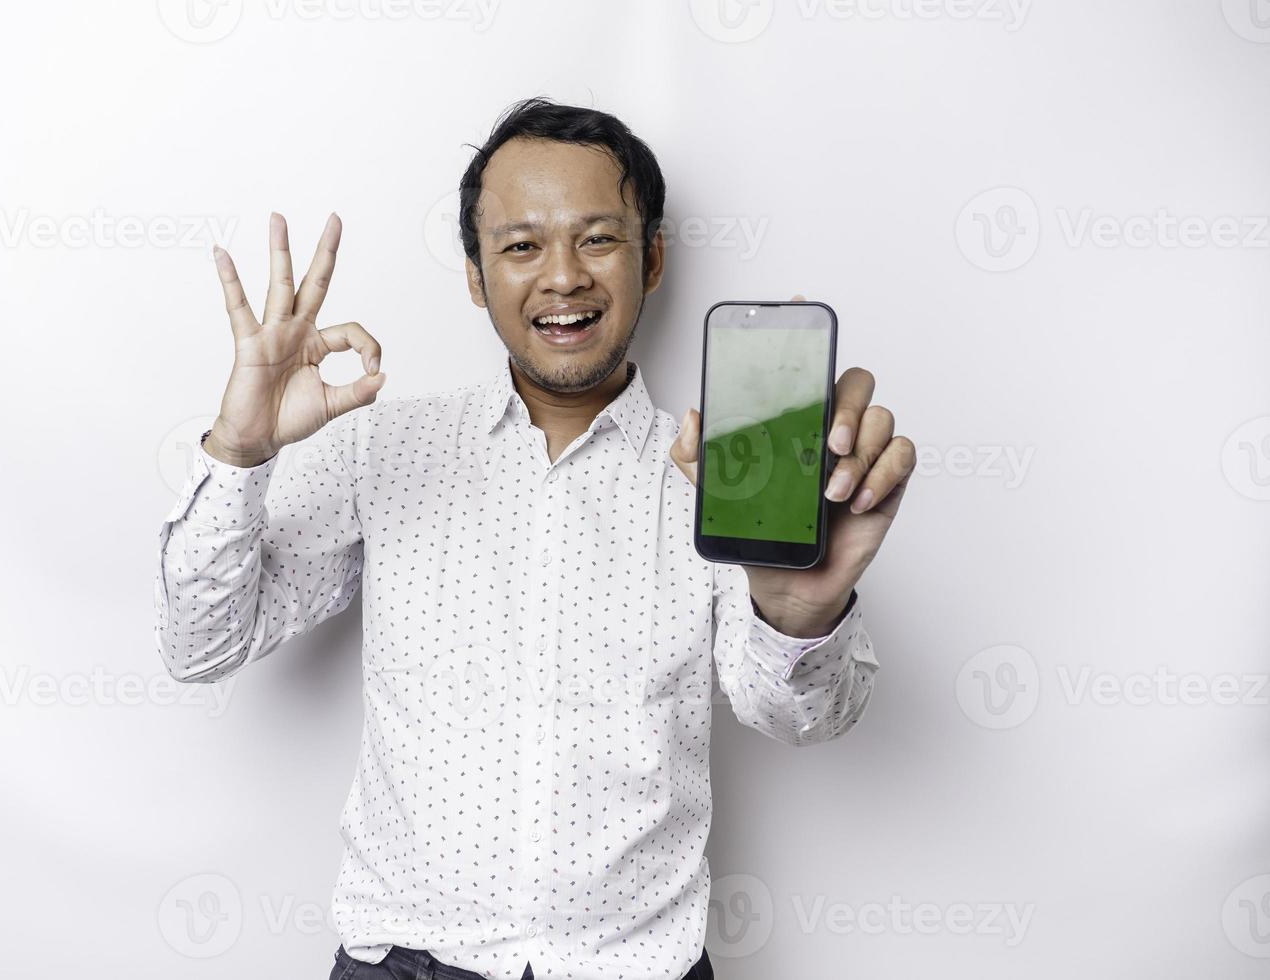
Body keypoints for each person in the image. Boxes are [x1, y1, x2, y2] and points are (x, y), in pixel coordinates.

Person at [155, 97, 914, 980]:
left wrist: (798, 611)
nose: (563, 277)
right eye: (521, 245)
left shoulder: (715, 480)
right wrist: (240, 451)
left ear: (652, 257)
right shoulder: (382, 446)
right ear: (476, 276)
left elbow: (800, 716)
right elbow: (198, 645)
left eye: (598, 239)